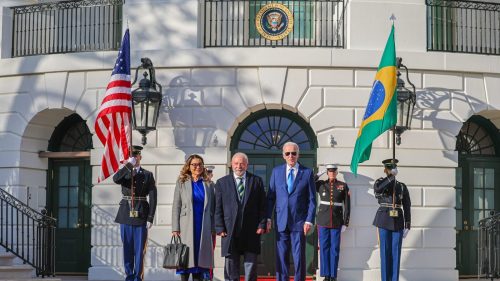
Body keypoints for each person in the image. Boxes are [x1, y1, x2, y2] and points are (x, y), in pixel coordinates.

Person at [266, 142, 317, 281]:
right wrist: (268, 218)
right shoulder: (276, 172)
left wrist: (309, 220)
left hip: (299, 222)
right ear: (283, 155)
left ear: (298, 154)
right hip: (281, 221)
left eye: (294, 153)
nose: (291, 156)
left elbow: (312, 200)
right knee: (281, 257)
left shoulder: (306, 173)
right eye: (287, 153)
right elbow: (270, 197)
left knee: (299, 257)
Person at [215, 152, 267, 281]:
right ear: (231, 165)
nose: (239, 166)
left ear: (247, 165)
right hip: (229, 230)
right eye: (236, 163)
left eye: (242, 163)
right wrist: (219, 227)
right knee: (231, 268)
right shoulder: (222, 183)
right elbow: (217, 207)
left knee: (251, 267)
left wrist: (262, 224)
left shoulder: (256, 181)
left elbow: (262, 206)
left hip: (251, 230)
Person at [113, 145, 157, 281]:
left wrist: (150, 217)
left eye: (136, 156)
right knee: (127, 248)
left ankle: (138, 277)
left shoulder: (147, 174)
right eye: (131, 156)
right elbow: (115, 179)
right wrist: (128, 166)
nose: (134, 158)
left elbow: (153, 197)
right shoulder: (125, 173)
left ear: (140, 157)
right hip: (126, 213)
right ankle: (129, 277)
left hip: (141, 213)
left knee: (139, 250)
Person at [171, 154, 215, 281]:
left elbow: (213, 207)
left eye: (200, 164)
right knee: (185, 262)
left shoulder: (209, 184)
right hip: (185, 227)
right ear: (188, 166)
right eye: (194, 164)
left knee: (200, 265)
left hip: (203, 226)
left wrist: (213, 227)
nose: (197, 167)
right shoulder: (181, 182)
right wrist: (175, 228)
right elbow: (176, 206)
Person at [372, 159, 411, 281]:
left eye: (392, 168)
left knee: (396, 254)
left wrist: (407, 224)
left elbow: (407, 205)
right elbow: (378, 189)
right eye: (389, 168)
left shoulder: (402, 186)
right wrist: (390, 178)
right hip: (383, 220)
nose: (390, 170)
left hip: (398, 221)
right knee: (385, 253)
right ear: (385, 170)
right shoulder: (380, 182)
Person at [314, 164, 351, 281]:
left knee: (334, 248)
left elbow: (347, 205)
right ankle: (326, 275)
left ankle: (333, 275)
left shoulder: (343, 186)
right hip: (322, 221)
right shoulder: (320, 184)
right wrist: (319, 174)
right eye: (329, 171)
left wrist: (346, 222)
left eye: (333, 171)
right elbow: (308, 182)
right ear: (327, 172)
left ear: (336, 172)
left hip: (336, 221)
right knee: (324, 247)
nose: (331, 173)